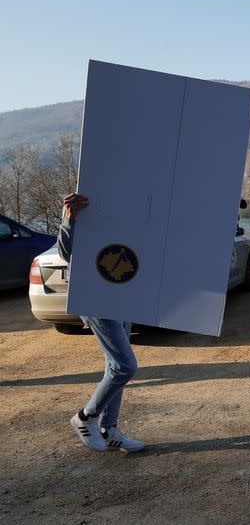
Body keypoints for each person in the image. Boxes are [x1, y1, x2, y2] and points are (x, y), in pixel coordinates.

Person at [59, 192, 145, 453]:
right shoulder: (86, 199)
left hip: (123, 291)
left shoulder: (133, 204)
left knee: (114, 364)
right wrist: (68, 220)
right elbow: (66, 254)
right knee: (124, 365)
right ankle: (85, 418)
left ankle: (109, 429)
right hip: (94, 295)